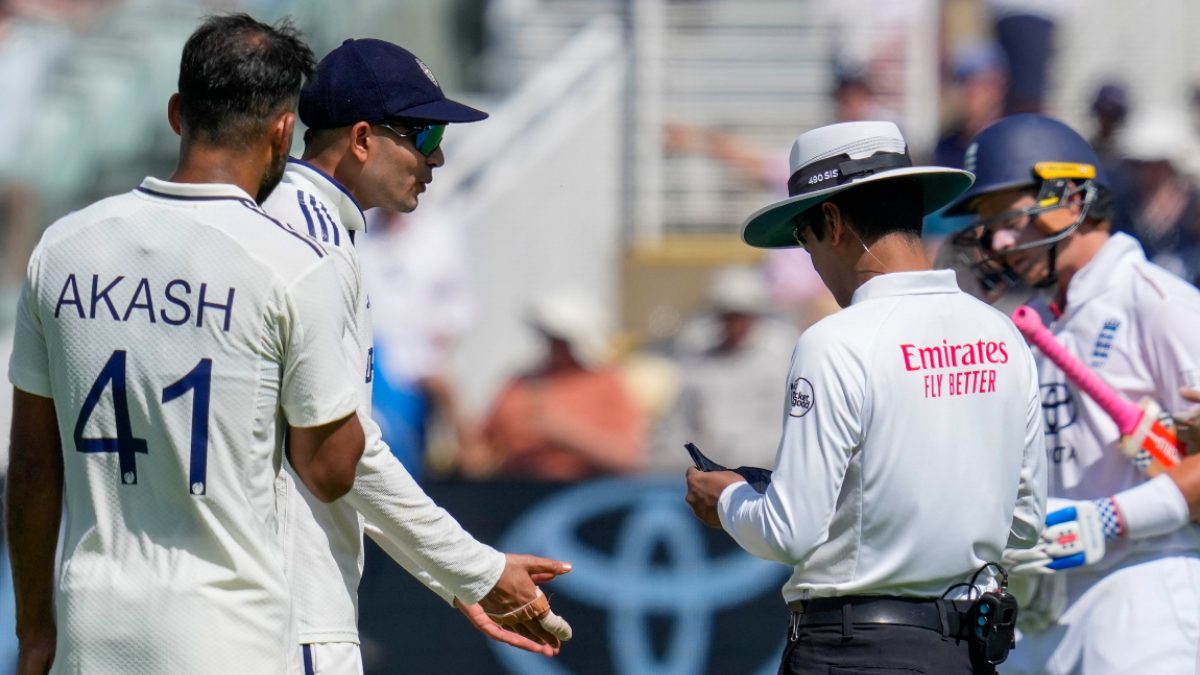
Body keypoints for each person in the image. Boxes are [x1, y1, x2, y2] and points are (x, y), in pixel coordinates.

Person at [6, 14, 367, 674]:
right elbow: (329, 468)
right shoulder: (290, 264)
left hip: (93, 628)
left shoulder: (63, 247)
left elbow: (31, 465)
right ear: (284, 130)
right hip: (230, 636)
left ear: (176, 113)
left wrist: (34, 630)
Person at [685, 120, 1047, 674]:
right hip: (965, 652)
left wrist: (729, 499)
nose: (812, 264)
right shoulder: (1001, 334)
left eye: (804, 240)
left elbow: (788, 531)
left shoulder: (835, 341)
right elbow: (1024, 523)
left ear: (831, 220)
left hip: (854, 651)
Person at [260, 38, 573, 670]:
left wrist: (455, 577)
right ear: (362, 138)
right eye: (425, 136)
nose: (438, 159)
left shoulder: (281, 222)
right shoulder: (313, 248)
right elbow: (339, 457)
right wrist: (473, 570)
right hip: (285, 613)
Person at [944, 113, 1200, 674]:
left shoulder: (1158, 302)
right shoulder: (1031, 320)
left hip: (1148, 591)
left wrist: (1107, 519)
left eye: (1009, 215)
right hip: (1050, 610)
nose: (1000, 240)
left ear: (1072, 195)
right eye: (989, 224)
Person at [459, 291, 646, 481]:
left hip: (587, 494)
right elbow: (483, 447)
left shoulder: (605, 383)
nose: (554, 347)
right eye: (550, 338)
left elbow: (629, 458)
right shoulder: (519, 384)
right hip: (517, 491)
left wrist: (564, 433)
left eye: (561, 341)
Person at [648, 265, 797, 472]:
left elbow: (785, 430)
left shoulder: (777, 364)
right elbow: (676, 428)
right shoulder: (700, 366)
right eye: (727, 315)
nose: (734, 323)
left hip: (761, 476)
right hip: (700, 474)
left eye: (741, 315)